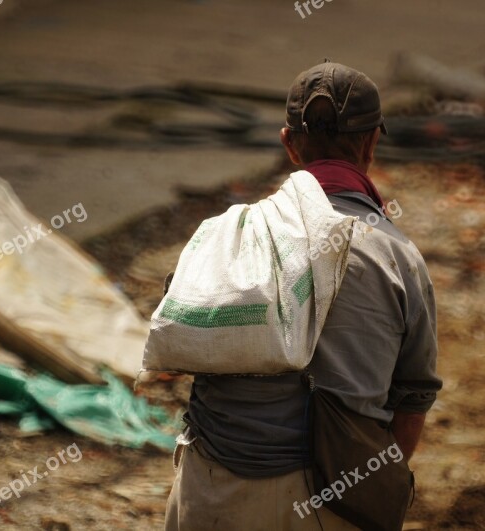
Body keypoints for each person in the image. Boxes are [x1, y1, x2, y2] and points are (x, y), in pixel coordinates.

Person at [165, 61, 442, 531]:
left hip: (209, 492)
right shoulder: (399, 258)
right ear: (373, 143)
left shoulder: (229, 236)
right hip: (330, 500)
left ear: (289, 145)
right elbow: (412, 402)